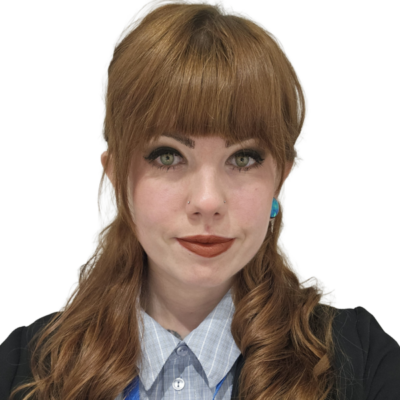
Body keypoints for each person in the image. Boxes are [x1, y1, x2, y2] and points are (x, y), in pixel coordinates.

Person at [1, 0, 399, 399]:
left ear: (280, 178)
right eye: (168, 156)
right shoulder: (20, 368)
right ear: (117, 174)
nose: (208, 202)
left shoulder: (364, 363)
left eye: (243, 158)